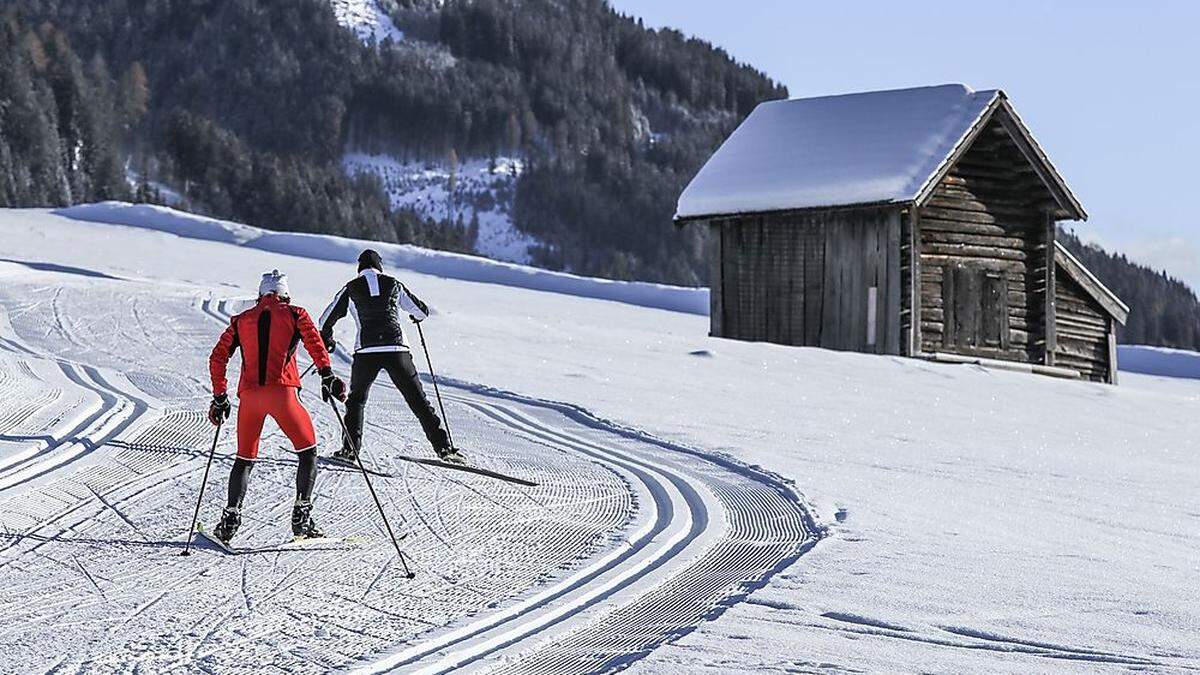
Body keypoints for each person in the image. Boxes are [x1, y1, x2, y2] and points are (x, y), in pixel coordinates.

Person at [207, 270, 347, 544]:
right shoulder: (295, 314)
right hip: (283, 394)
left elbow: (217, 357)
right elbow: (314, 342)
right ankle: (302, 517)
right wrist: (326, 374)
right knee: (308, 453)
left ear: (260, 295)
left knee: (244, 459)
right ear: (286, 294)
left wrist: (220, 396)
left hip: (250, 398)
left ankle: (230, 519)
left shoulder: (240, 320)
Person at [318, 249, 464, 465]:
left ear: (359, 268)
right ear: (380, 266)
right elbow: (421, 311)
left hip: (366, 351)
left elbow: (324, 321)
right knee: (418, 400)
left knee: (356, 400)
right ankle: (444, 449)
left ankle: (350, 451)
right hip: (397, 349)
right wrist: (415, 315)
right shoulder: (394, 284)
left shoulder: (350, 288)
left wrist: (327, 339)